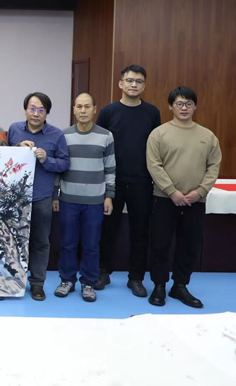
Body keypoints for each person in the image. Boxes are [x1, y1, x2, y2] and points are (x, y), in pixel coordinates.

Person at [146, 87, 221, 308]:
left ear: (195, 107)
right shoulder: (159, 134)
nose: (184, 108)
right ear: (170, 106)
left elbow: (213, 166)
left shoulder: (208, 136)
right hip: (164, 199)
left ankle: (180, 286)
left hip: (195, 201)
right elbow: (154, 165)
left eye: (189, 104)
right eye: (179, 103)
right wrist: (172, 191)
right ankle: (159, 285)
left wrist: (201, 191)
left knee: (189, 245)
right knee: (160, 244)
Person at [95, 65, 161, 297]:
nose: (134, 85)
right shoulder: (108, 111)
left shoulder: (152, 112)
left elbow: (156, 147)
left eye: (139, 81)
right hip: (112, 181)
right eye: (130, 80)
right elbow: (100, 146)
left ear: (144, 86)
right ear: (121, 83)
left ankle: (136, 278)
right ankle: (103, 271)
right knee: (107, 229)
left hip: (142, 182)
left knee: (140, 231)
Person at [8, 92, 70, 301]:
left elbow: (64, 163)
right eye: (32, 108)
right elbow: (3, 157)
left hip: (42, 196)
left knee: (40, 241)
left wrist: (46, 159)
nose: (36, 113)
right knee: (13, 241)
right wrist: (17, 149)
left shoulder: (56, 134)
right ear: (25, 110)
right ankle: (12, 281)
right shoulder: (14, 129)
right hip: (15, 197)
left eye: (41, 110)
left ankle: (37, 284)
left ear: (47, 113)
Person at [53, 93, 115, 303]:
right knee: (67, 243)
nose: (83, 110)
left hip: (95, 201)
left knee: (91, 245)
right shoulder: (64, 136)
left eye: (87, 106)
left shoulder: (106, 136)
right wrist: (55, 195)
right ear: (74, 109)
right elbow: (59, 169)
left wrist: (109, 196)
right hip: (68, 199)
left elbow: (110, 168)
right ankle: (67, 280)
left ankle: (88, 282)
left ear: (94, 109)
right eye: (79, 106)